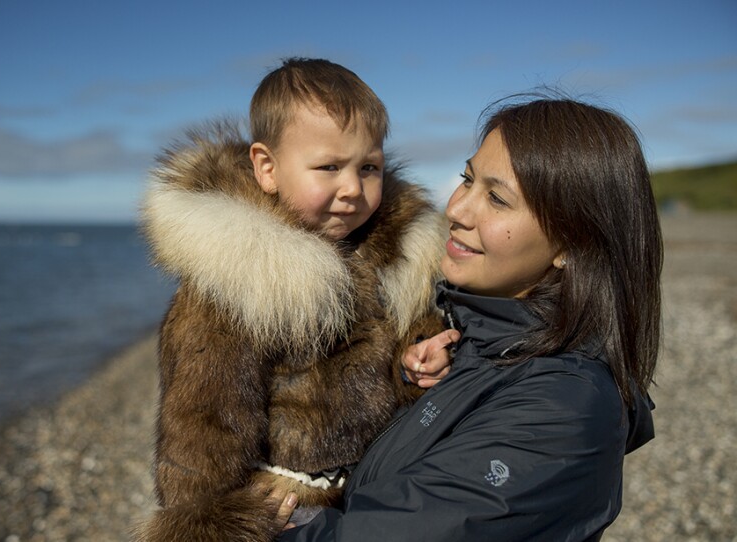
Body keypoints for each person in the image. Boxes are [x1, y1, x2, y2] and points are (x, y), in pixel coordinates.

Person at [273, 94, 662, 541]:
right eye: (467, 179)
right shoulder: (468, 338)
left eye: (497, 198)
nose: (456, 210)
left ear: (570, 246)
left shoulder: (565, 411)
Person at [135, 58, 455, 541]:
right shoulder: (238, 276)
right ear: (267, 168)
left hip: (376, 485)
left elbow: (387, 365)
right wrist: (208, 518)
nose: (352, 189)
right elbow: (204, 418)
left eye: (369, 167)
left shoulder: (388, 254)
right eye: (328, 167)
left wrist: (415, 364)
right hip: (288, 508)